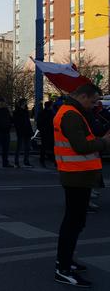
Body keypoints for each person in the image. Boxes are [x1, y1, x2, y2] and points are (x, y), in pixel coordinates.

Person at [53, 84, 109, 287]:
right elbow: (82, 146)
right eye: (93, 101)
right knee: (73, 222)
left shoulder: (73, 111)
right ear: (83, 96)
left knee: (76, 222)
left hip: (79, 174)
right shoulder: (71, 114)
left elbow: (85, 139)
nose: (94, 105)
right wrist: (104, 142)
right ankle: (63, 268)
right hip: (75, 174)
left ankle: (67, 262)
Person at [13, 98, 33, 168]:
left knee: (27, 148)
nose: (26, 104)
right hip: (21, 132)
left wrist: (31, 131)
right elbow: (16, 123)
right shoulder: (17, 112)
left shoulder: (25, 111)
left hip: (27, 131)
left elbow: (28, 122)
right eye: (25, 102)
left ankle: (26, 161)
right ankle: (16, 162)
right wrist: (19, 130)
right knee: (19, 148)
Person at [37, 101, 56, 167]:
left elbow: (39, 123)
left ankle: (43, 160)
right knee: (51, 147)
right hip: (49, 132)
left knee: (44, 147)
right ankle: (54, 161)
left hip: (46, 132)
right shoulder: (51, 113)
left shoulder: (42, 113)